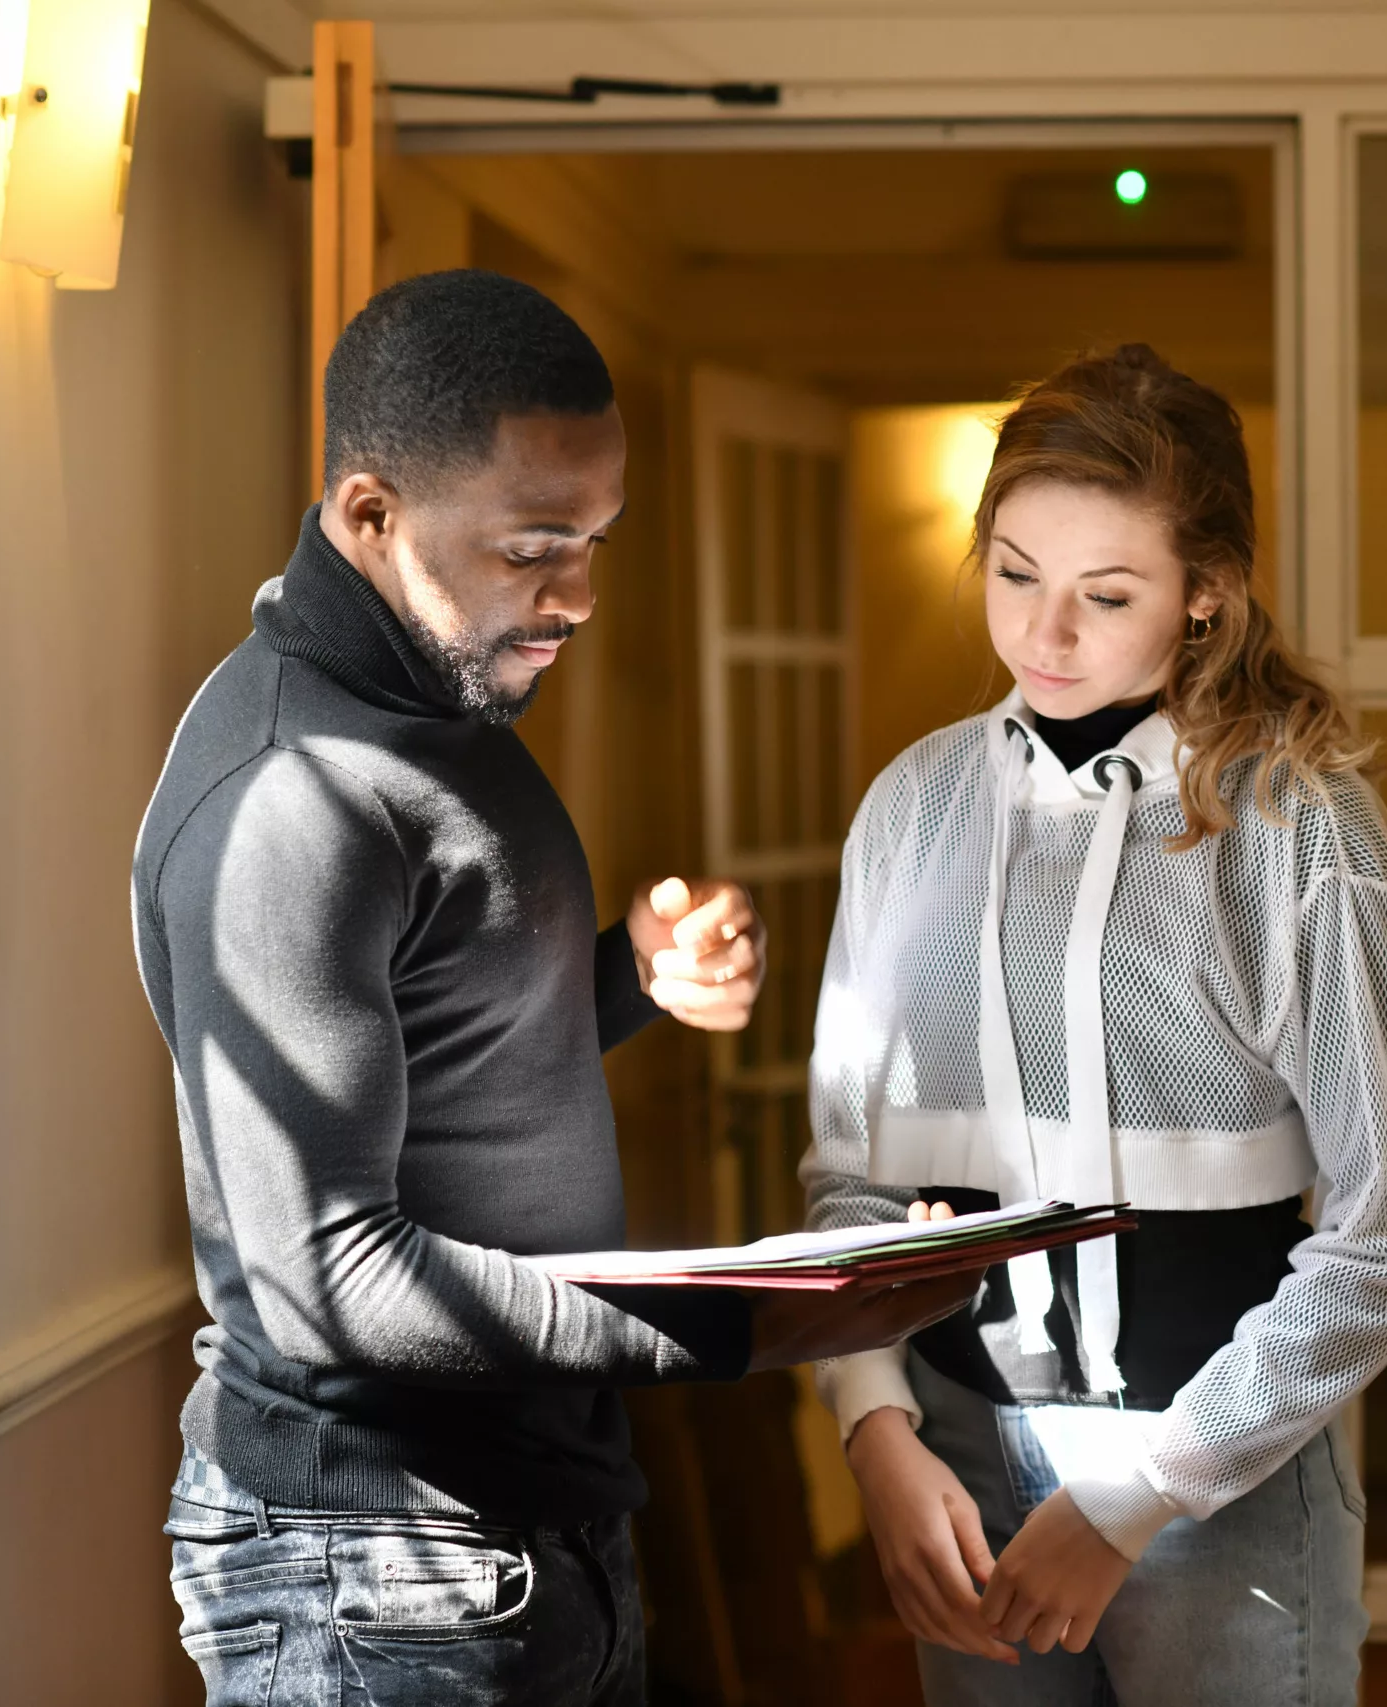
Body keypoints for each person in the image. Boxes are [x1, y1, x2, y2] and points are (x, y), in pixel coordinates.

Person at [132, 269, 968, 1707]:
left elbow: (444, 1044)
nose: (576, 597)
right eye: (534, 548)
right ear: (370, 516)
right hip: (376, 1563)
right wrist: (736, 1317)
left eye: (593, 540)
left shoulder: (444, 696)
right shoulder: (293, 797)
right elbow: (323, 1277)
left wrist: (632, 977)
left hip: (525, 1530)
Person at [802, 345, 1387, 1705]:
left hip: (1224, 1480)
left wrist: (1134, 1497)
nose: (1045, 635)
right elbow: (845, 1177)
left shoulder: (1300, 826)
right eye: (1012, 572)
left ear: (1206, 594)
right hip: (958, 1464)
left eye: (1106, 595)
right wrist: (874, 1425)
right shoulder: (910, 811)